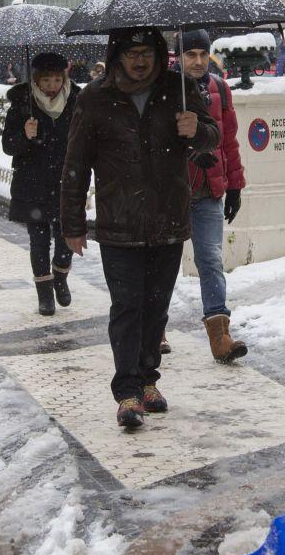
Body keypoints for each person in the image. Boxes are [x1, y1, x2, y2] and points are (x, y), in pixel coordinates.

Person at [61, 27, 219, 429]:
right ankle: (128, 391)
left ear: (158, 52)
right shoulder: (95, 97)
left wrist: (196, 130)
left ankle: (149, 379)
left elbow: (211, 138)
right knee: (127, 307)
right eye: (131, 52)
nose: (140, 59)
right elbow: (76, 163)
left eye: (147, 51)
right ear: (117, 55)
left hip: (168, 216)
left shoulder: (179, 88)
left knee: (156, 308)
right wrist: (73, 223)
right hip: (120, 221)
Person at [175, 30, 248, 362]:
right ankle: (155, 329)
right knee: (161, 265)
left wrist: (235, 185)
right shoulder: (164, 88)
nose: (198, 61)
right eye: (191, 54)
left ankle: (221, 337)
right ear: (179, 56)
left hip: (209, 190)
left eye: (203, 54)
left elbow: (229, 141)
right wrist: (190, 151)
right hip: (171, 190)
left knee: (210, 260)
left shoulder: (218, 88)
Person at [2, 52, 80, 316]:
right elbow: (8, 146)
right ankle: (44, 293)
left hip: (65, 181)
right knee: (38, 240)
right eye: (46, 80)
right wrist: (25, 135)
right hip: (31, 182)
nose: (52, 85)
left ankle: (60, 275)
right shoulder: (23, 104)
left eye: (57, 79)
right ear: (36, 80)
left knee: (66, 238)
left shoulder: (77, 102)